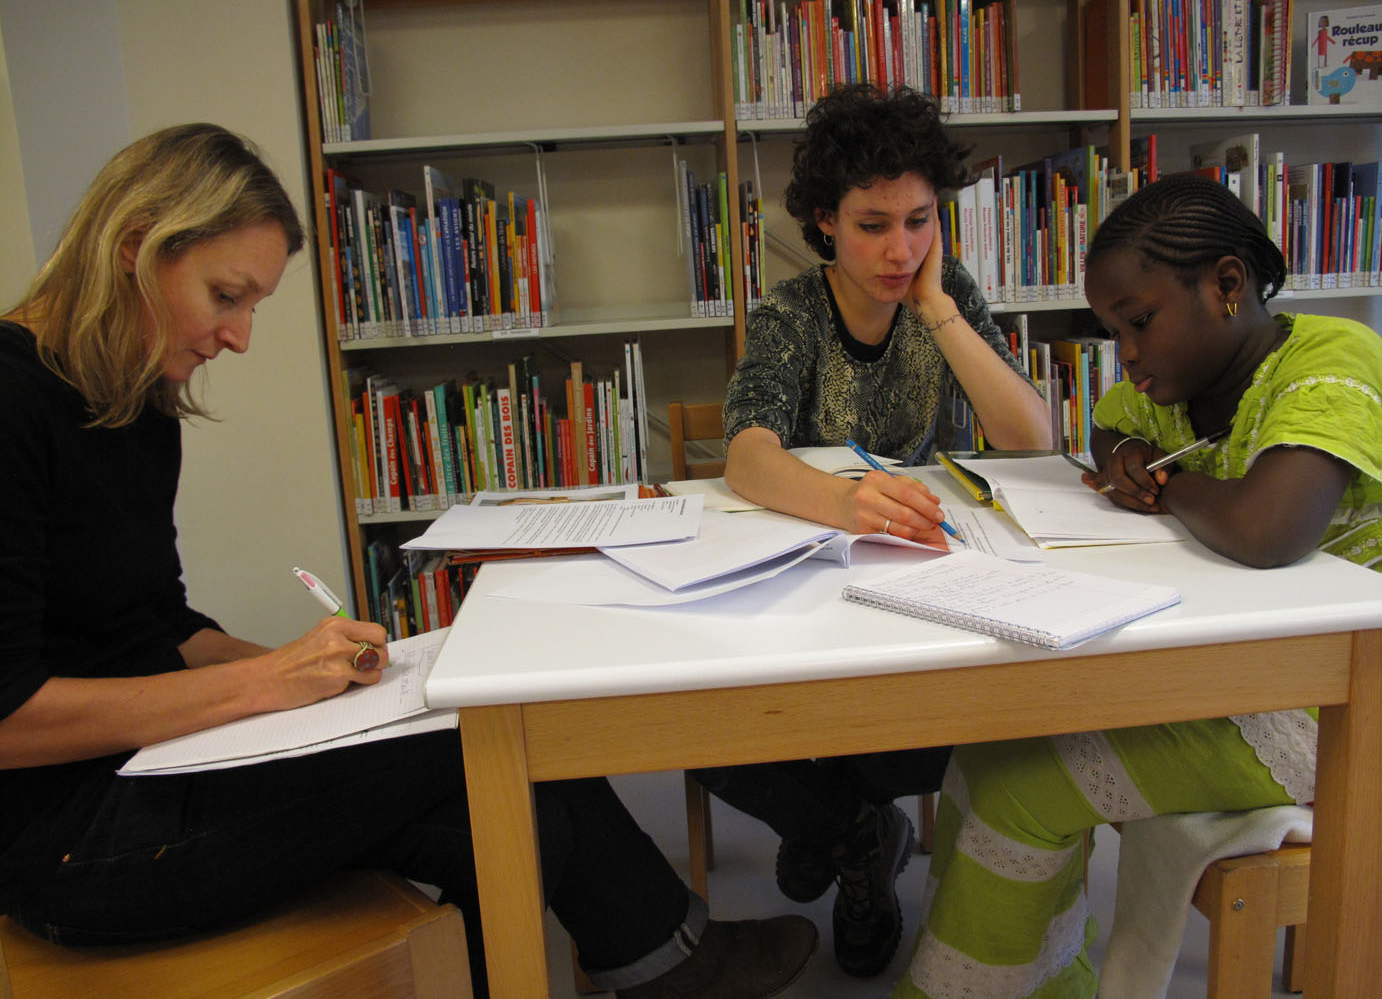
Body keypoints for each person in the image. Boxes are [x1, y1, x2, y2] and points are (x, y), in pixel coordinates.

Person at [0, 123, 819, 999]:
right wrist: (268, 682)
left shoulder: (135, 395)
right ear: (136, 248)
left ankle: (667, 961)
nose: (238, 337)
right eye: (225, 295)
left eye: (253, 306)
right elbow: (10, 720)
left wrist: (326, 678)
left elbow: (157, 624)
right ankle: (677, 963)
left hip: (157, 758)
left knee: (517, 805)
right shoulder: (13, 400)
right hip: (69, 835)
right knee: (484, 750)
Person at [893, 172, 1382, 998]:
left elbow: (1266, 530)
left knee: (1021, 785)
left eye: (1139, 322)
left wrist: (1166, 484)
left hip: (1333, 709)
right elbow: (1107, 423)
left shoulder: (1334, 358)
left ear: (1226, 285)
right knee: (991, 744)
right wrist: (1124, 453)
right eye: (1113, 330)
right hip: (1234, 669)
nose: (1125, 352)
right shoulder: (1177, 387)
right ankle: (1041, 982)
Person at [695, 84, 1052, 980]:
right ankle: (856, 831)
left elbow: (1030, 438)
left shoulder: (946, 292)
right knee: (705, 732)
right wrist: (845, 502)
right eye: (871, 225)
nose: (900, 250)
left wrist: (938, 308)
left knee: (955, 721)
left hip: (920, 586)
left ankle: (833, 825)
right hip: (812, 583)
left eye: (920, 221)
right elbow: (747, 456)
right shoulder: (792, 313)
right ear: (825, 221)